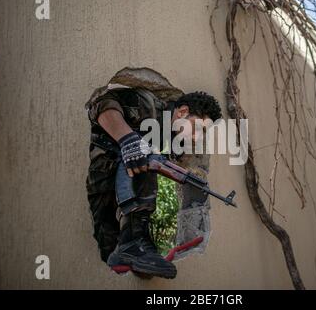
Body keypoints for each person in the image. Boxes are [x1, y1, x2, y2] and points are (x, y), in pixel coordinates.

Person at [85, 69, 222, 279]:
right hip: (104, 181)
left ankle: (137, 243)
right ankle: (133, 244)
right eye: (198, 128)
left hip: (128, 195)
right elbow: (101, 104)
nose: (197, 137)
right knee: (106, 246)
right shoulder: (150, 106)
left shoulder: (173, 141)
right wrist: (128, 140)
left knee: (126, 262)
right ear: (182, 112)